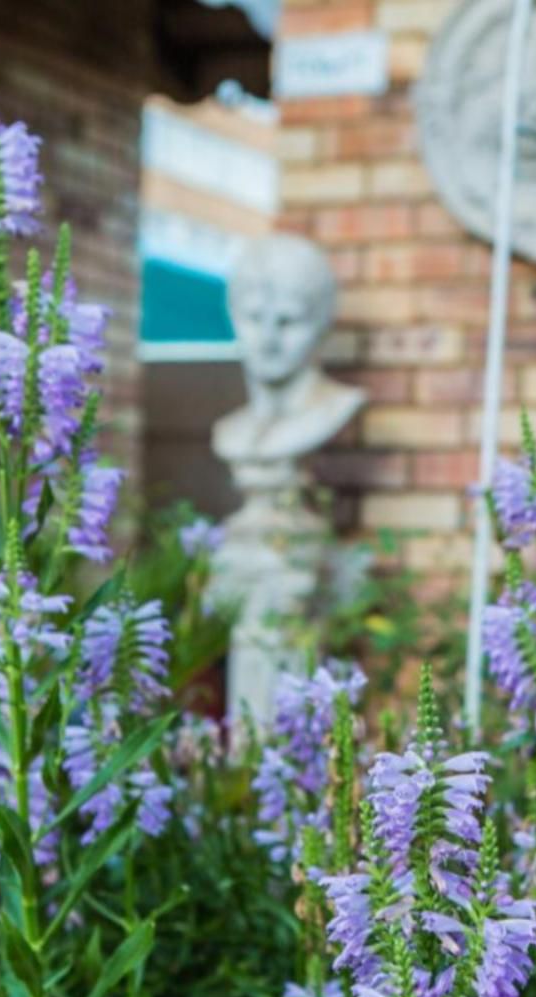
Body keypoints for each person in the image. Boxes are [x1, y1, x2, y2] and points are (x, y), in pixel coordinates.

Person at [210, 234, 365, 725]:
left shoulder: (332, 410)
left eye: (289, 321)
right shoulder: (230, 431)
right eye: (254, 318)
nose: (269, 339)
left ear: (321, 324)